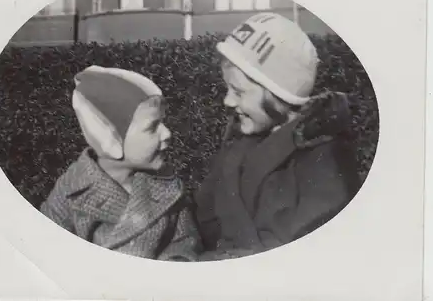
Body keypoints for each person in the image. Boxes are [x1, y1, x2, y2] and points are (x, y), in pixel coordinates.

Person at [194, 13, 360, 260]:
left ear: (278, 94)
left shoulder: (325, 162)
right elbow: (202, 220)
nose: (227, 101)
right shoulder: (237, 146)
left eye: (239, 92)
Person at [41, 65, 200, 261]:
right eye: (152, 127)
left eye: (163, 122)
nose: (167, 133)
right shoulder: (70, 192)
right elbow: (47, 248)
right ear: (111, 139)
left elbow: (183, 241)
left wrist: (176, 261)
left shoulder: (168, 187)